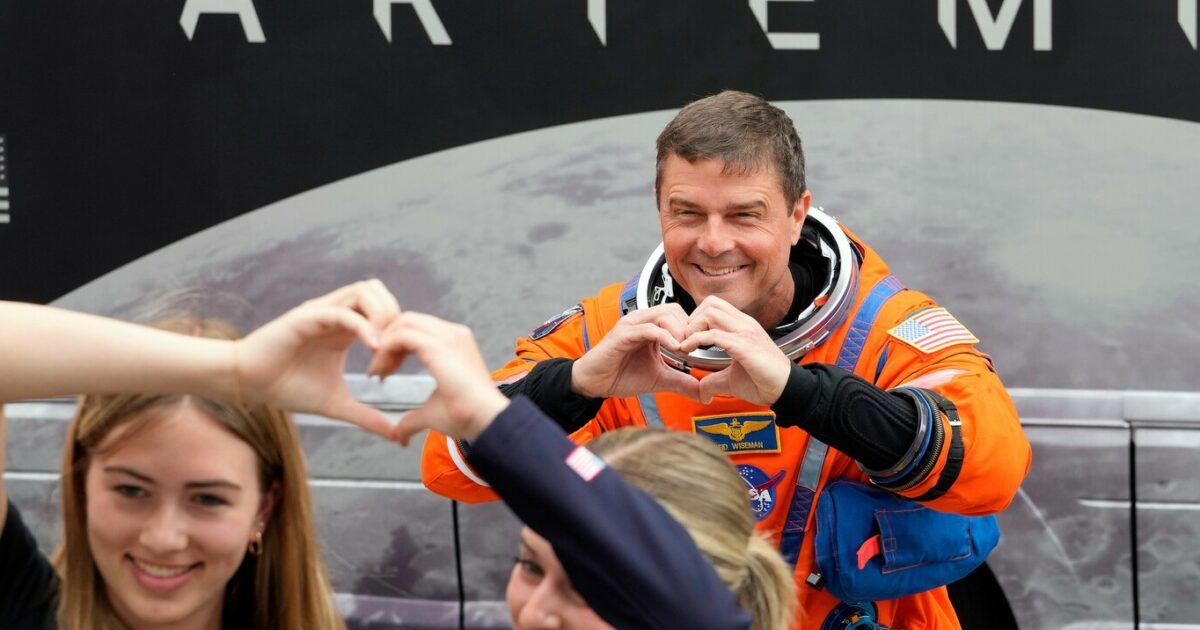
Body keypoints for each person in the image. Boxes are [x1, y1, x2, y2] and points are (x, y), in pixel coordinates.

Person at [420, 90, 1033, 628]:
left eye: (744, 214)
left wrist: (801, 392)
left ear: (796, 214)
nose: (714, 243)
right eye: (687, 213)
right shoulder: (616, 331)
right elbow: (447, 464)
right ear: (660, 209)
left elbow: (994, 467)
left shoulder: (883, 328)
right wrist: (577, 384)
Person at [0, 281, 401, 629]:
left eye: (207, 499)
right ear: (82, 484)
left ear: (264, 507)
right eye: (131, 490)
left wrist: (468, 418)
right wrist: (236, 368)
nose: (163, 538)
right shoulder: (21, 606)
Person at [380, 312, 794, 629]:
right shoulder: (600, 322)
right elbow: (445, 467)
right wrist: (571, 385)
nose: (535, 614)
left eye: (585, 588)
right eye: (530, 566)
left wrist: (490, 417)